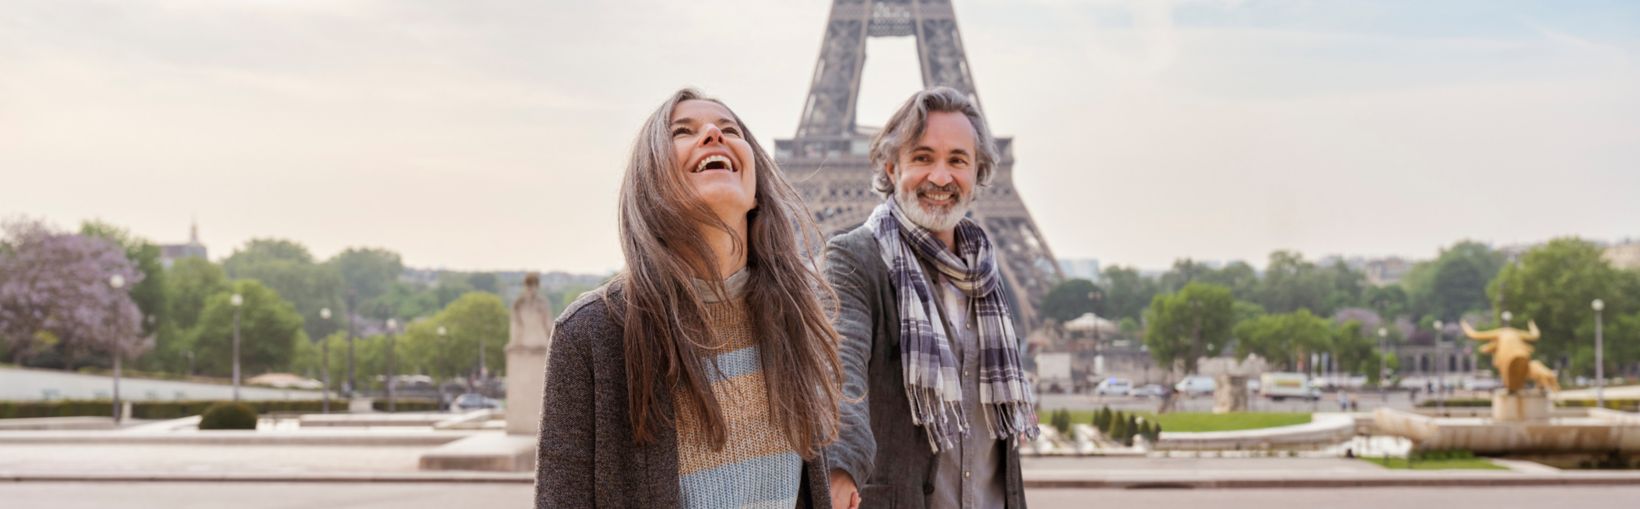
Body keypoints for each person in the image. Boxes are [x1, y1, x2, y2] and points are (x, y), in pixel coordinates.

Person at [535, 89, 846, 508]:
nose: (714, 133)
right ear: (650, 181)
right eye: (683, 131)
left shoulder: (792, 316)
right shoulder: (593, 333)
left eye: (730, 129)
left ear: (756, 191)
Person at [823, 87, 1038, 509]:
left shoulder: (985, 275)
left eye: (957, 160)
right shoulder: (855, 259)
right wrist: (839, 465)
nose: (940, 177)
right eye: (922, 158)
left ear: (977, 174)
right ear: (891, 167)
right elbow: (839, 370)